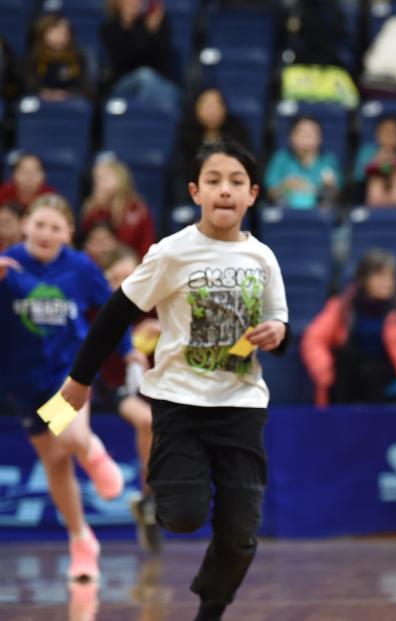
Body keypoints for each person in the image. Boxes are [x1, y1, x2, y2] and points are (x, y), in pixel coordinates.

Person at [57, 141, 290, 621]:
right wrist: (78, 382)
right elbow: (115, 314)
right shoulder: (171, 252)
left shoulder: (264, 258)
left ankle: (211, 608)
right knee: (183, 516)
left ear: (252, 195)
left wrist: (279, 333)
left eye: (236, 182)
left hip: (242, 403)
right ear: (195, 191)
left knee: (242, 528)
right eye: (213, 181)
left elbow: (280, 325)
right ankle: (149, 503)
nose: (225, 190)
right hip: (178, 402)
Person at [0, 194, 132, 582]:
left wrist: (130, 353)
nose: (46, 233)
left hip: (68, 371)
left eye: (55, 228)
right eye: (39, 225)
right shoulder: (8, 265)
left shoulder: (80, 268)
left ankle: (93, 452)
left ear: (69, 234)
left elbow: (112, 313)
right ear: (26, 225)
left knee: (72, 435)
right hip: (23, 382)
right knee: (55, 463)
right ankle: (81, 542)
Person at [301, 249, 396, 407]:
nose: (386, 281)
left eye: (391, 276)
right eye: (379, 276)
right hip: (350, 382)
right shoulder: (343, 306)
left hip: (391, 381)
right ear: (364, 279)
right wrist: (325, 374)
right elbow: (314, 339)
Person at [96, 246, 163, 552]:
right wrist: (136, 342)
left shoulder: (156, 307)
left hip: (153, 388)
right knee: (147, 421)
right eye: (115, 278)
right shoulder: (96, 307)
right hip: (107, 387)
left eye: (131, 276)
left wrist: (165, 330)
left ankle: (148, 501)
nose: (124, 283)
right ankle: (149, 499)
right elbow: (99, 355)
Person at [100, 0, 180, 110]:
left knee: (173, 92)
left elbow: (162, 57)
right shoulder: (110, 28)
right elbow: (124, 60)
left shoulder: (156, 23)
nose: (135, 2)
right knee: (144, 76)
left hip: (158, 82)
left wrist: (153, 32)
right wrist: (140, 30)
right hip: (122, 83)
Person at [80, 157, 155, 260]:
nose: (99, 182)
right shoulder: (92, 206)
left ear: (120, 178)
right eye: (97, 178)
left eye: (104, 177)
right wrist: (100, 209)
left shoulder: (135, 208)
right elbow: (86, 238)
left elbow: (130, 241)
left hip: (132, 262)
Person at [264, 116, 341, 210]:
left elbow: (338, 195)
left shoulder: (328, 160)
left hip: (319, 214)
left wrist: (329, 188)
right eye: (301, 133)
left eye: (310, 134)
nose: (305, 138)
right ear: (291, 137)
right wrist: (285, 185)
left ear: (320, 138)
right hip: (286, 212)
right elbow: (270, 193)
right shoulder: (280, 159)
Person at [353, 114, 396, 207]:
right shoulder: (366, 151)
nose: (388, 137)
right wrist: (377, 163)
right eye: (384, 132)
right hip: (368, 196)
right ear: (377, 135)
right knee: (376, 173)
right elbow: (359, 178)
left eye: (393, 133)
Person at [24, 13, 92, 100]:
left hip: (71, 102)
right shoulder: (34, 57)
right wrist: (44, 93)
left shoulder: (78, 57)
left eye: (65, 31)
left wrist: (67, 94)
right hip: (41, 101)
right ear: (43, 32)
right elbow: (29, 86)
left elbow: (87, 89)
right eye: (56, 30)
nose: (61, 35)